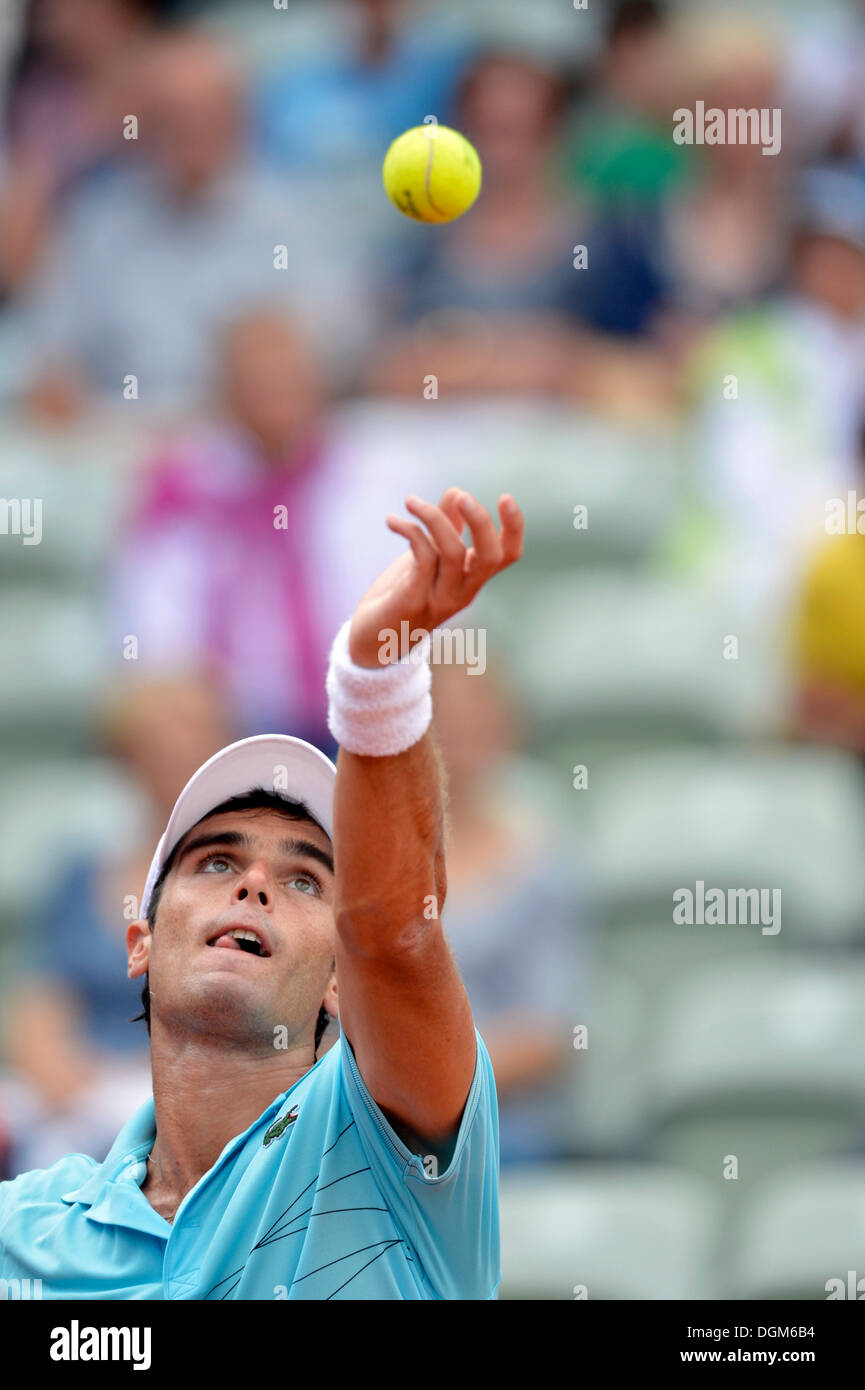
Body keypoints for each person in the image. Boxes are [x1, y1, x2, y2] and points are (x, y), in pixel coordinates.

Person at [0, 486, 524, 1300]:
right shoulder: (21, 1232)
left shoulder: (395, 1160)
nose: (253, 883)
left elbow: (399, 935)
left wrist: (374, 676)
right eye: (214, 861)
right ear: (138, 937)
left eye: (305, 878)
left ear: (340, 979)